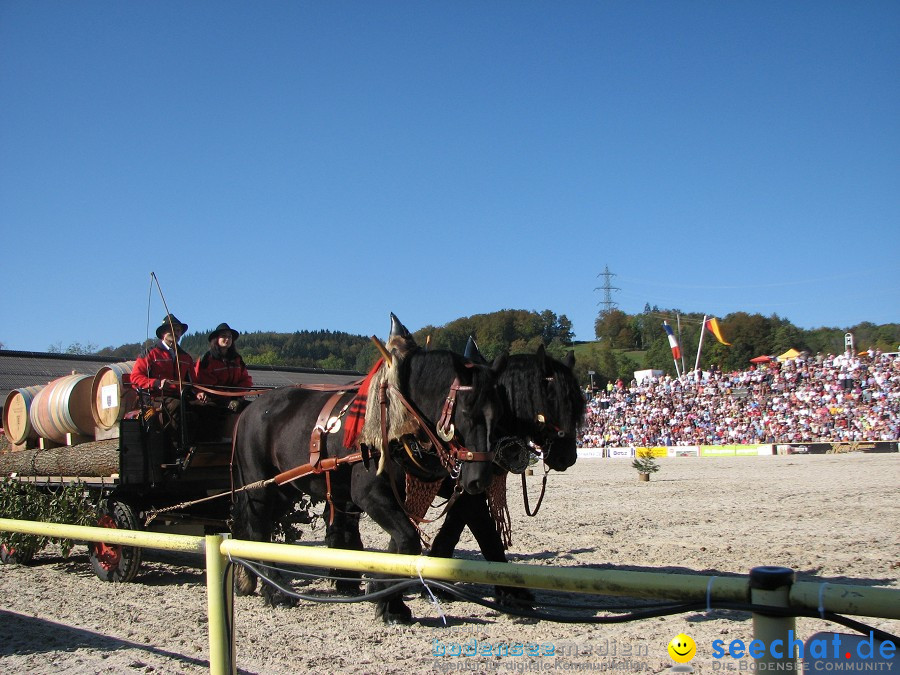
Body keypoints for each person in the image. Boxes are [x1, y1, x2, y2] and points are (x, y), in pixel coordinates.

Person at [130, 314, 196, 452]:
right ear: (163, 333)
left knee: (204, 407)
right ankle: (176, 447)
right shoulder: (150, 354)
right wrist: (156, 383)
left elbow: (193, 382)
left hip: (181, 396)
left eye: (178, 330)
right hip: (155, 398)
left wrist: (199, 393)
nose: (176, 333)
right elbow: (135, 378)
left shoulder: (185, 357)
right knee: (177, 406)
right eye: (172, 330)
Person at [193, 322, 253, 409]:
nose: (227, 339)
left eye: (230, 337)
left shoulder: (237, 359)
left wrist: (236, 397)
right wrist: (228, 398)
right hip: (214, 400)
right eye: (224, 336)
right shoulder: (206, 359)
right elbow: (208, 383)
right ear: (216, 338)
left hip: (236, 399)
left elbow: (246, 380)